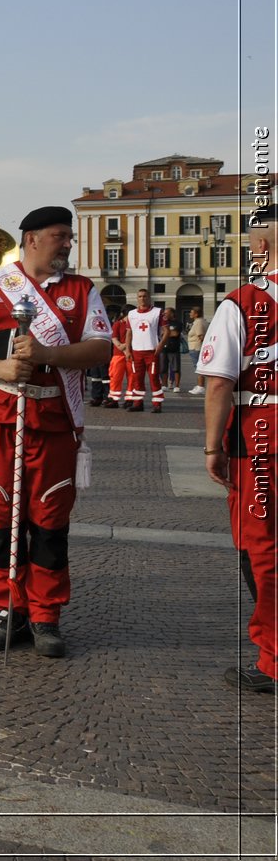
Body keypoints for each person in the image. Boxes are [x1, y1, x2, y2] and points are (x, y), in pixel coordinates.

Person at [0, 206, 111, 658]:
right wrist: (0, 366)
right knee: (2, 518)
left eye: (69, 236)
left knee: (49, 520)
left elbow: (100, 347)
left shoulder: (81, 290)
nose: (68, 243)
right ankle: (9, 610)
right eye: (60, 236)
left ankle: (46, 615)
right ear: (32, 238)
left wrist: (46, 354)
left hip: (55, 419)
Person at [201, 205, 278, 692]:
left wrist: (212, 446)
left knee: (261, 547)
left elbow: (217, 385)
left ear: (261, 247)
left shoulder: (245, 301)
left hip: (262, 437)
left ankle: (273, 659)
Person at [124, 289, 165, 413]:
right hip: (136, 351)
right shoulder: (131, 314)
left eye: (145, 296)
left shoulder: (157, 312)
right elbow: (129, 333)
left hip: (151, 351)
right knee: (137, 378)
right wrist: (128, 350)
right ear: (137, 298)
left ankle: (157, 404)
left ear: (149, 298)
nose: (142, 298)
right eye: (140, 296)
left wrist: (161, 345)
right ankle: (138, 403)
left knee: (154, 378)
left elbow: (166, 331)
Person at [104, 313, 131, 408]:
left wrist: (125, 346)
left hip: (131, 354)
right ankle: (114, 399)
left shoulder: (134, 323)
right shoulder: (118, 324)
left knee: (132, 378)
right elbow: (114, 338)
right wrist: (122, 346)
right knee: (115, 377)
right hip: (118, 354)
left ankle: (130, 399)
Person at [186, 307, 209, 395]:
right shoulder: (202, 321)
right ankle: (200, 385)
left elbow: (201, 336)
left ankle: (201, 386)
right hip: (197, 347)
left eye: (191, 312)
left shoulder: (198, 323)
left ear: (196, 314)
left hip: (196, 347)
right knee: (199, 367)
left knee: (199, 368)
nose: (190, 314)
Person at [161, 307, 182, 392]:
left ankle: (176, 386)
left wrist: (165, 333)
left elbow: (176, 333)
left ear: (172, 314)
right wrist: (169, 333)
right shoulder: (163, 323)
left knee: (176, 368)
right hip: (163, 348)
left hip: (174, 349)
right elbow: (160, 333)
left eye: (166, 313)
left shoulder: (178, 323)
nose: (164, 314)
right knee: (163, 368)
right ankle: (164, 385)